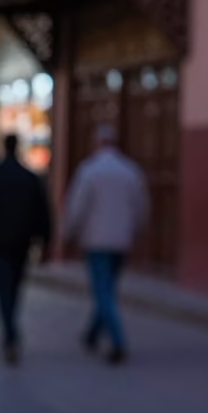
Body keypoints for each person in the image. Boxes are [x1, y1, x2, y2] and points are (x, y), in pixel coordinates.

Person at [63, 123, 149, 363]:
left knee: (103, 291)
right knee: (107, 288)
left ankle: (117, 340)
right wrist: (138, 231)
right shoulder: (130, 171)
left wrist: (69, 232)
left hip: (96, 239)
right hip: (121, 239)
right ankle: (92, 333)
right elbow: (141, 207)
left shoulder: (89, 171)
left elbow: (77, 206)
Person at [0, 134, 51, 364]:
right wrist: (44, 241)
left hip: (0, 242)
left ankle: (10, 332)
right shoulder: (30, 178)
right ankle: (11, 329)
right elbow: (43, 213)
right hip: (21, 243)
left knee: (4, 287)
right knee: (14, 287)